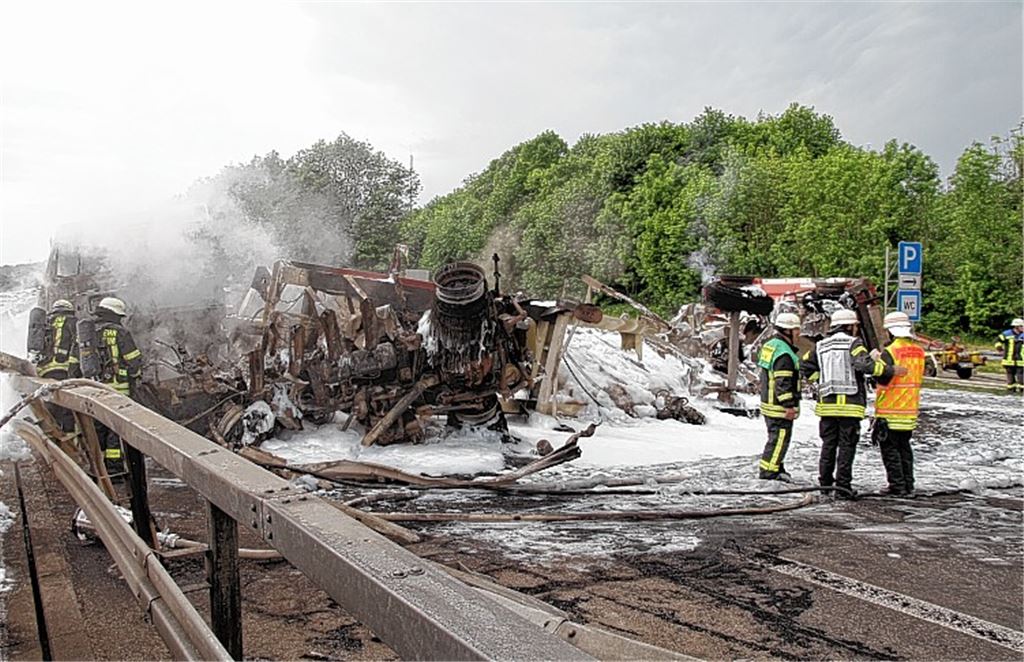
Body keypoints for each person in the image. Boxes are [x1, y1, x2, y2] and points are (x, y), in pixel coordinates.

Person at [802, 309, 905, 499]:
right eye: (855, 326)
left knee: (828, 446)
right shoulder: (853, 343)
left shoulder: (820, 345)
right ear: (849, 326)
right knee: (846, 447)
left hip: (827, 406)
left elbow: (805, 366)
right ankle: (843, 486)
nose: (857, 329)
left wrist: (820, 380)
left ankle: (825, 485)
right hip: (849, 406)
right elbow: (864, 365)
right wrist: (888, 370)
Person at [871, 311, 926, 497]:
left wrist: (877, 362)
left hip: (890, 409)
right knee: (904, 449)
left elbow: (883, 379)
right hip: (909, 410)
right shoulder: (919, 351)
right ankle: (908, 484)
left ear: (890, 331)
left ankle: (897, 486)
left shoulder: (891, 352)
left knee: (890, 451)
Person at [93, 297, 144, 473]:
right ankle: (114, 470)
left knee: (98, 428)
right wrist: (136, 375)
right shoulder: (120, 332)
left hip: (93, 388)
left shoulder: (87, 331)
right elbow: (133, 360)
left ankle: (97, 467)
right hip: (118, 387)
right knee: (115, 428)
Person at [757, 312, 802, 481]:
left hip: (768, 402)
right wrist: (788, 405)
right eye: (796, 329)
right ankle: (769, 472)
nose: (799, 333)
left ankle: (776, 465)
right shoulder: (784, 354)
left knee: (775, 438)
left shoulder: (771, 345)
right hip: (778, 406)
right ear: (788, 330)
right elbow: (783, 381)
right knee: (779, 439)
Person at [33, 299, 81, 432]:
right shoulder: (73, 322)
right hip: (63, 369)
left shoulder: (45, 323)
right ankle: (69, 435)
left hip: (44, 370)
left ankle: (50, 432)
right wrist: (75, 369)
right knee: (66, 405)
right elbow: (78, 346)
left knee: (50, 402)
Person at [996, 318, 1024, 393]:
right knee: (1010, 376)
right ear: (1016, 327)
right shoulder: (1006, 334)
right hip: (1008, 360)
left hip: (1020, 360)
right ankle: (1011, 390)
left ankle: (1022, 390)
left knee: (1021, 376)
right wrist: (999, 348)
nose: (1023, 328)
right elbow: (998, 341)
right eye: (1022, 326)